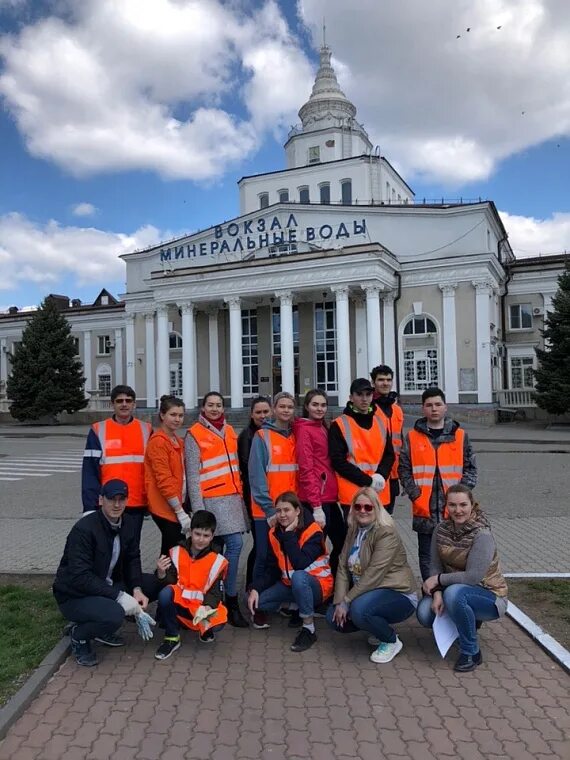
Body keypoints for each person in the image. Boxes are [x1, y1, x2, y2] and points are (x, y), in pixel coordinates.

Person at [53, 479, 159, 667]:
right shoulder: (84, 529)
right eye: (111, 499)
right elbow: (80, 576)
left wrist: (136, 589)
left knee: (156, 583)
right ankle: (80, 635)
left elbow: (133, 558)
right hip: (75, 594)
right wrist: (119, 597)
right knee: (114, 614)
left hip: (107, 585)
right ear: (101, 500)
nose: (117, 505)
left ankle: (102, 625)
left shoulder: (129, 523)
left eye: (122, 499)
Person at [416, 484, 508, 672]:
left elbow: (473, 577)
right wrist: (437, 594)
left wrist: (439, 581)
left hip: (489, 594)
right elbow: (434, 565)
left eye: (463, 505)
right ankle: (467, 620)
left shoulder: (482, 534)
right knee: (425, 613)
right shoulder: (440, 529)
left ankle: (471, 651)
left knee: (455, 594)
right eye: (452, 505)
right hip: (452, 589)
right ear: (446, 506)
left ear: (472, 505)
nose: (458, 510)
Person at [326, 487, 417, 664]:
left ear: (377, 508)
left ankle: (391, 640)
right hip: (368, 592)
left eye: (368, 507)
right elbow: (343, 566)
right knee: (333, 617)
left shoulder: (386, 532)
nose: (362, 511)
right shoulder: (354, 529)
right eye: (358, 507)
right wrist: (339, 601)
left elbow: (374, 574)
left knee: (359, 610)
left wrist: (347, 601)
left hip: (398, 593)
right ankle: (377, 628)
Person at [398, 387, 477, 581]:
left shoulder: (460, 436)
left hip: (454, 512)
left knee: (455, 556)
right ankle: (430, 593)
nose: (434, 409)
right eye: (429, 405)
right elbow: (403, 468)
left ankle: (452, 592)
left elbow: (471, 468)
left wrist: (461, 495)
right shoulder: (412, 437)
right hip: (424, 510)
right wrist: (414, 493)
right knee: (426, 557)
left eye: (438, 404)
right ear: (423, 408)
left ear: (445, 407)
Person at [185, 391, 249, 628]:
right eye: (210, 405)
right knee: (226, 548)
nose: (215, 409)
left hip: (231, 499)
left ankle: (225, 599)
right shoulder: (194, 434)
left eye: (218, 405)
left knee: (228, 547)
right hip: (211, 503)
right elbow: (192, 477)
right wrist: (199, 512)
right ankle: (223, 600)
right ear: (202, 408)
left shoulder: (230, 431)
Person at [247, 491, 333, 652]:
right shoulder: (274, 533)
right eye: (278, 510)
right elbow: (272, 568)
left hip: (318, 586)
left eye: (287, 510)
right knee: (259, 602)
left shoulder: (313, 531)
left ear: (297, 511)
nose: (282, 515)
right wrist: (255, 589)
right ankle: (296, 604)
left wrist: (288, 535)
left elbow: (299, 563)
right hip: (289, 585)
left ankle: (309, 628)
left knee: (299, 577)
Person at [328, 377, 394, 576]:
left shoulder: (381, 421)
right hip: (353, 495)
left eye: (368, 395)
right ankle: (346, 585)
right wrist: (368, 481)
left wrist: (381, 475)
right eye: (360, 395)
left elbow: (389, 454)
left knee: (378, 544)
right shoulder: (339, 424)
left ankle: (374, 582)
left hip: (380, 493)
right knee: (353, 546)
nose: (365, 399)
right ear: (351, 397)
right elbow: (338, 461)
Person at [248, 391, 298, 628]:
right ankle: (257, 606)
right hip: (266, 511)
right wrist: (270, 511)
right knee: (264, 557)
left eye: (290, 406)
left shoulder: (295, 436)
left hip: (290, 511)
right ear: (274, 409)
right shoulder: (262, 436)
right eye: (282, 406)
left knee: (285, 557)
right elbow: (256, 477)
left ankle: (278, 600)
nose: (286, 410)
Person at [81, 384, 152, 546]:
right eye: (119, 401)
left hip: (136, 502)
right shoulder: (99, 430)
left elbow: (153, 469)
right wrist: (89, 506)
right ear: (112, 404)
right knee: (106, 548)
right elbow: (90, 472)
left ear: (134, 404)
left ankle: (130, 573)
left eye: (128, 400)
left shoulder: (146, 429)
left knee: (132, 548)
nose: (124, 404)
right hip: (108, 503)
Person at [154, 510, 229, 659]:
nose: (201, 539)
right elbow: (170, 583)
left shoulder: (218, 560)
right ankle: (172, 637)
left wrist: (207, 608)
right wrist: (161, 573)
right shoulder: (176, 552)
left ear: (212, 537)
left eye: (206, 535)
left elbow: (215, 592)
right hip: (180, 605)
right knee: (164, 594)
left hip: (200, 609)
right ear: (190, 532)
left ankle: (204, 629)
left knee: (219, 622)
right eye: (197, 534)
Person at [293, 389, 340, 558]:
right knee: (317, 546)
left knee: (340, 540)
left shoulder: (322, 427)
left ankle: (332, 579)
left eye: (323, 405)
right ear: (306, 406)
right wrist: (316, 506)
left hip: (328, 496)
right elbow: (306, 468)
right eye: (315, 405)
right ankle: (317, 581)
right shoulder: (305, 430)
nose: (319, 409)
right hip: (316, 498)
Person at [144, 395, 188, 555]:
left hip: (174, 504)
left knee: (171, 548)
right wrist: (179, 510)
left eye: (181, 415)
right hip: (163, 505)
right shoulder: (158, 442)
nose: (177, 419)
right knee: (172, 548)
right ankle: (164, 577)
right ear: (162, 415)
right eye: (173, 415)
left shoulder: (177, 440)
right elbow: (164, 480)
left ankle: (165, 576)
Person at [237, 396, 272, 586]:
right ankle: (252, 586)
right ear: (251, 414)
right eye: (258, 412)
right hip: (255, 499)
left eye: (266, 411)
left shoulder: (271, 433)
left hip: (271, 499)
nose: (263, 416)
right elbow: (248, 472)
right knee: (260, 548)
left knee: (267, 547)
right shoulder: (247, 436)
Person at [371, 365, 403, 515]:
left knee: (387, 519)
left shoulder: (396, 409)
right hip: (375, 473)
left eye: (389, 380)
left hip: (393, 474)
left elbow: (400, 443)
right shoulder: (369, 408)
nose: (385, 383)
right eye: (381, 380)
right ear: (373, 382)